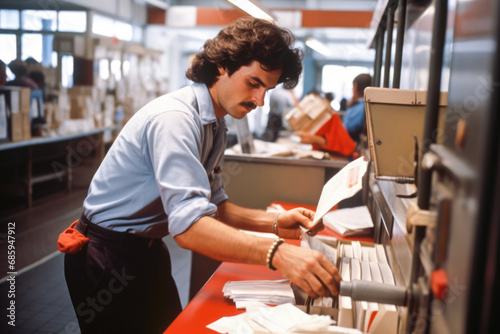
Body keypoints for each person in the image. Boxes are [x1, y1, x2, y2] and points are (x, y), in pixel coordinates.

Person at [58, 17, 341, 334]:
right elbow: (189, 229)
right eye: (254, 83)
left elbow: (214, 206)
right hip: (107, 255)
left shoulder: (214, 123)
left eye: (268, 89)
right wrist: (278, 253)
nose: (260, 101)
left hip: (146, 249)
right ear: (222, 66)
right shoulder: (176, 120)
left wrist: (275, 222)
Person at [295, 74, 372, 157]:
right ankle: (316, 139)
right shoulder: (361, 106)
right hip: (345, 141)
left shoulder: (360, 107)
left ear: (355, 86)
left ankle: (316, 139)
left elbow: (349, 128)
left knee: (333, 120)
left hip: (348, 144)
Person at [342, 73, 372, 141]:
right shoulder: (365, 105)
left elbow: (347, 128)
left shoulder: (360, 107)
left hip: (350, 142)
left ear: (355, 86)